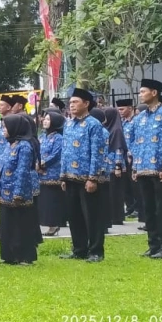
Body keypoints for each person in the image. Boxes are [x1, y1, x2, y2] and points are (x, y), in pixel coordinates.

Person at [132, 79, 162, 259]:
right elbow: (135, 144)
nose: (140, 94)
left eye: (143, 91)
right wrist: (135, 167)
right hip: (143, 170)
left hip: (160, 171)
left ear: (154, 92)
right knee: (148, 210)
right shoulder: (140, 118)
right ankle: (153, 245)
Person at [60, 89, 106, 263]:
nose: (71, 105)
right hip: (70, 177)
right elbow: (65, 151)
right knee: (74, 215)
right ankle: (79, 248)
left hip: (87, 178)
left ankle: (96, 251)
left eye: (75, 102)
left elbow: (97, 152)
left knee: (92, 216)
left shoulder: (94, 124)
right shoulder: (69, 124)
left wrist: (93, 177)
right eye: (70, 102)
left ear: (86, 104)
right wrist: (63, 176)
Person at [0, 115, 41, 265]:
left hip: (18, 191)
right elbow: (1, 170)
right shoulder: (10, 145)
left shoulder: (25, 146)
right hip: (5, 191)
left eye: (5, 127)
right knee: (7, 224)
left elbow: (22, 171)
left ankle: (25, 256)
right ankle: (9, 255)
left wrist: (18, 193)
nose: (3, 130)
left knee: (21, 225)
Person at [38, 112, 66, 236]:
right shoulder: (42, 136)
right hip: (40, 173)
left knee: (52, 200)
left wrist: (43, 164)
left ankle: (54, 224)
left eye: (48, 119)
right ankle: (49, 224)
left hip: (52, 172)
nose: (45, 121)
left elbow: (56, 155)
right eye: (45, 118)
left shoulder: (59, 138)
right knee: (44, 200)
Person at [118, 99, 143, 220]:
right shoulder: (123, 122)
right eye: (119, 109)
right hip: (123, 157)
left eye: (122, 109)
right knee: (125, 184)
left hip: (133, 157)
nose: (120, 112)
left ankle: (138, 208)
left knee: (135, 185)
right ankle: (130, 207)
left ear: (130, 108)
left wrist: (131, 154)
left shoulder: (136, 121)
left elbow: (138, 139)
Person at [103, 107, 129, 226]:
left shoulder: (116, 130)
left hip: (115, 166)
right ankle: (113, 216)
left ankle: (117, 217)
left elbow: (119, 149)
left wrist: (118, 166)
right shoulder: (109, 128)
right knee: (111, 193)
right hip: (109, 166)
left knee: (116, 193)